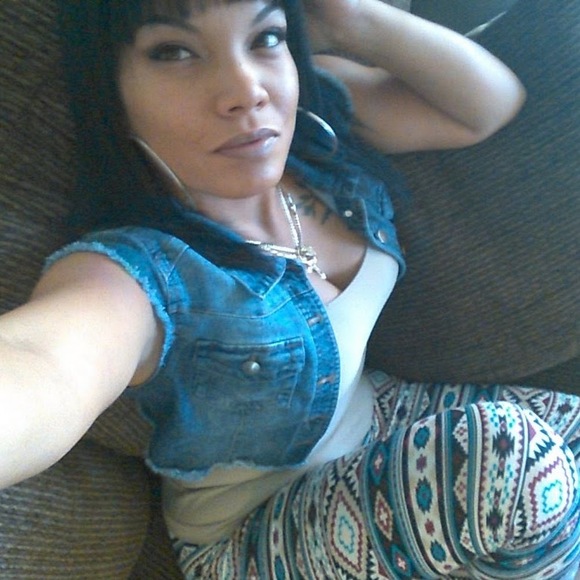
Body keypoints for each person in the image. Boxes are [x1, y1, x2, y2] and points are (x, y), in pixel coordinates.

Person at [0, 0, 578, 577]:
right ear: (109, 88)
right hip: (253, 534)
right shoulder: (136, 273)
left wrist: (348, 20)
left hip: (379, 423)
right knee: (516, 460)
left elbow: (488, 105)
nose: (246, 90)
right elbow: (45, 363)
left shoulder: (312, 130)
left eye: (264, 38)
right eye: (174, 52)